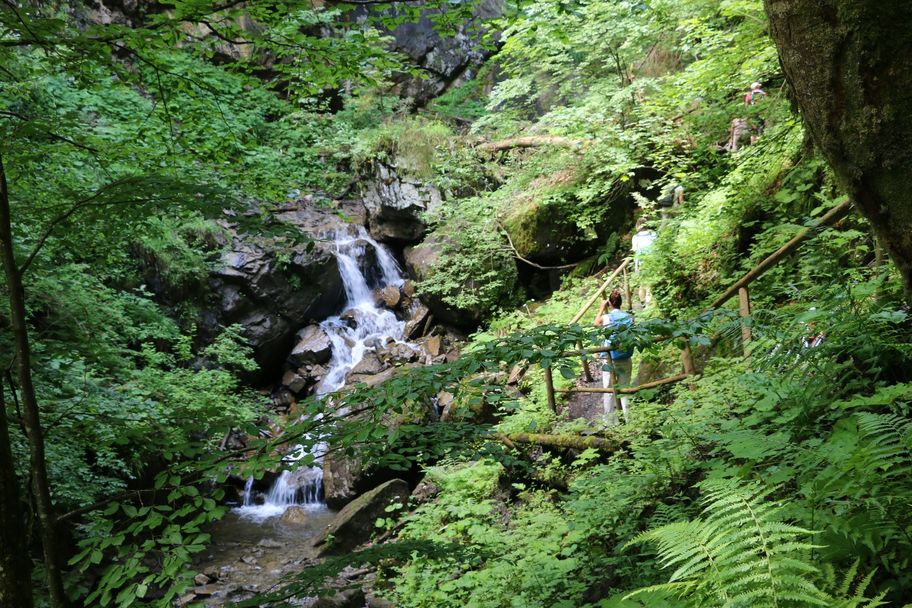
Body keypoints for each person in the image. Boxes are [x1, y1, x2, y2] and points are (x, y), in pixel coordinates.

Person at [595, 289, 634, 425]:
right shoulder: (629, 317)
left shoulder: (607, 318)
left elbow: (596, 323)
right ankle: (628, 420)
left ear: (610, 304)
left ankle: (609, 422)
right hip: (625, 357)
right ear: (621, 303)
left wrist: (601, 308)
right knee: (624, 389)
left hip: (610, 358)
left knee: (609, 389)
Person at [631, 218, 656, 304]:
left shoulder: (636, 237)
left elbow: (634, 249)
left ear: (637, 226)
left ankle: (643, 303)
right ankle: (649, 304)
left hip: (641, 264)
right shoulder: (653, 234)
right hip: (653, 262)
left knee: (642, 285)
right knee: (650, 285)